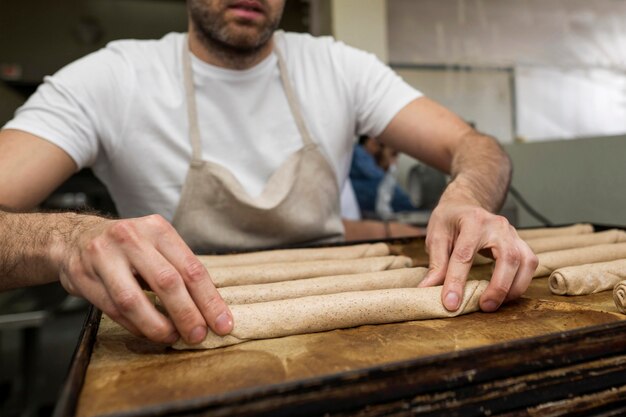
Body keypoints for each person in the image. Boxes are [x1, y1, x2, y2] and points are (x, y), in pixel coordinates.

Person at [0, 0, 537, 346]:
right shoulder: (112, 79)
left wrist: (467, 193)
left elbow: (474, 145)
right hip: (179, 335)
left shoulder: (339, 68)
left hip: (355, 327)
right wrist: (65, 239)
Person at [350, 136, 417, 217]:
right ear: (373, 142)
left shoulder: (352, 162)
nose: (395, 161)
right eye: (393, 154)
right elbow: (398, 200)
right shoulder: (369, 174)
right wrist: (391, 173)